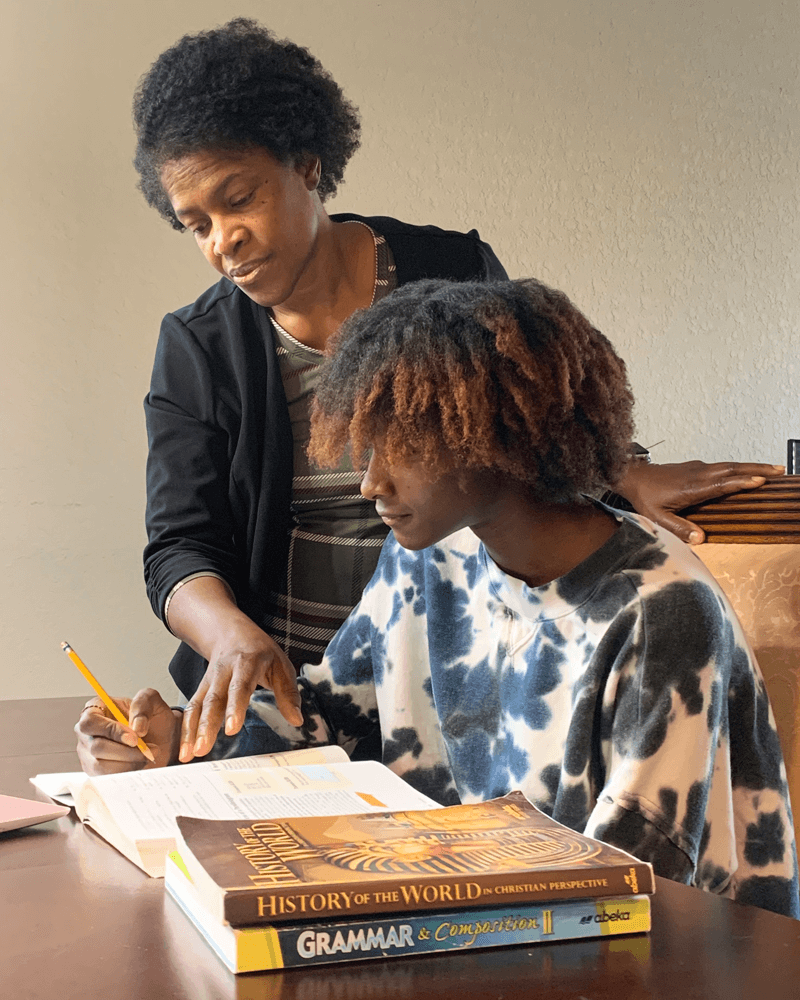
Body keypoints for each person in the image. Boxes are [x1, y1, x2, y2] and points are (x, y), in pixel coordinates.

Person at [129, 18, 782, 766]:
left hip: (455, 686)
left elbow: (526, 413)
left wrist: (619, 469)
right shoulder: (198, 346)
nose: (222, 241)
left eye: (237, 200)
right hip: (299, 700)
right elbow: (179, 545)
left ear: (307, 162)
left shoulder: (450, 272)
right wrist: (233, 639)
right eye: (196, 225)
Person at [76, 277, 798, 917]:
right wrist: (182, 741)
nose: (371, 484)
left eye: (404, 447)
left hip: (652, 956)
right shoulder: (433, 557)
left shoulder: (659, 610)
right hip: (473, 924)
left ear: (498, 437)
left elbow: (636, 877)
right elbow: (328, 718)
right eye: (366, 446)